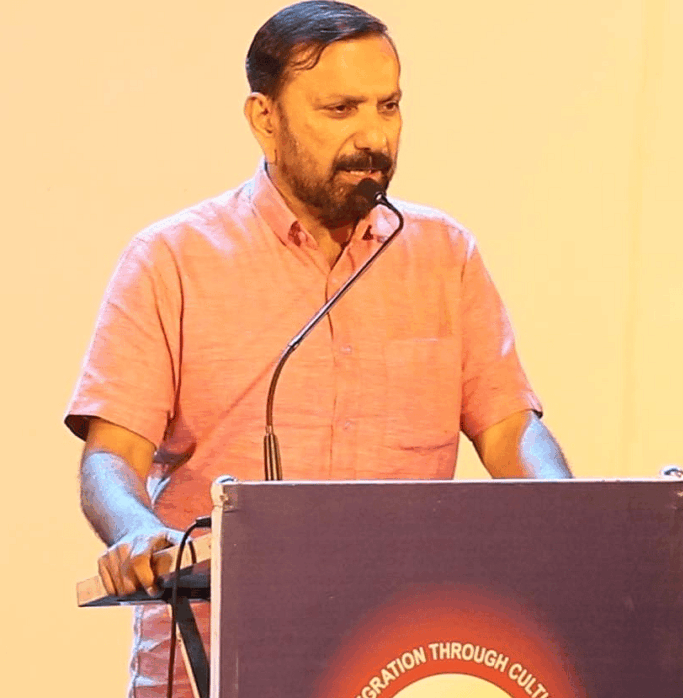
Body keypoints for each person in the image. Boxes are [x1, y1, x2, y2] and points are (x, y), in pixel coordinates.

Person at [66, 1, 572, 695]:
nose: (373, 136)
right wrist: (137, 532)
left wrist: (575, 522)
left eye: (388, 106)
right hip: (216, 659)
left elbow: (511, 430)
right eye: (340, 110)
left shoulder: (443, 255)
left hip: (397, 662)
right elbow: (110, 459)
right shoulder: (171, 260)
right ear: (264, 119)